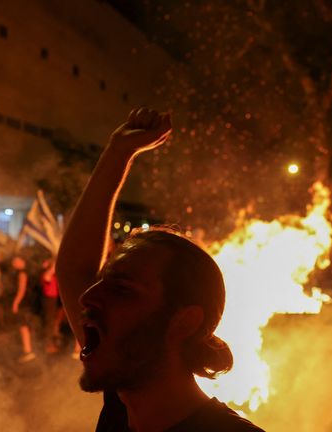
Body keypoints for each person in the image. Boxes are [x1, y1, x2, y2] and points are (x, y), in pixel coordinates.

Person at [56, 108, 264, 432]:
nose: (88, 297)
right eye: (104, 282)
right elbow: (73, 270)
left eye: (123, 290)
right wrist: (118, 152)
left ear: (183, 322)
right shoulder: (122, 403)